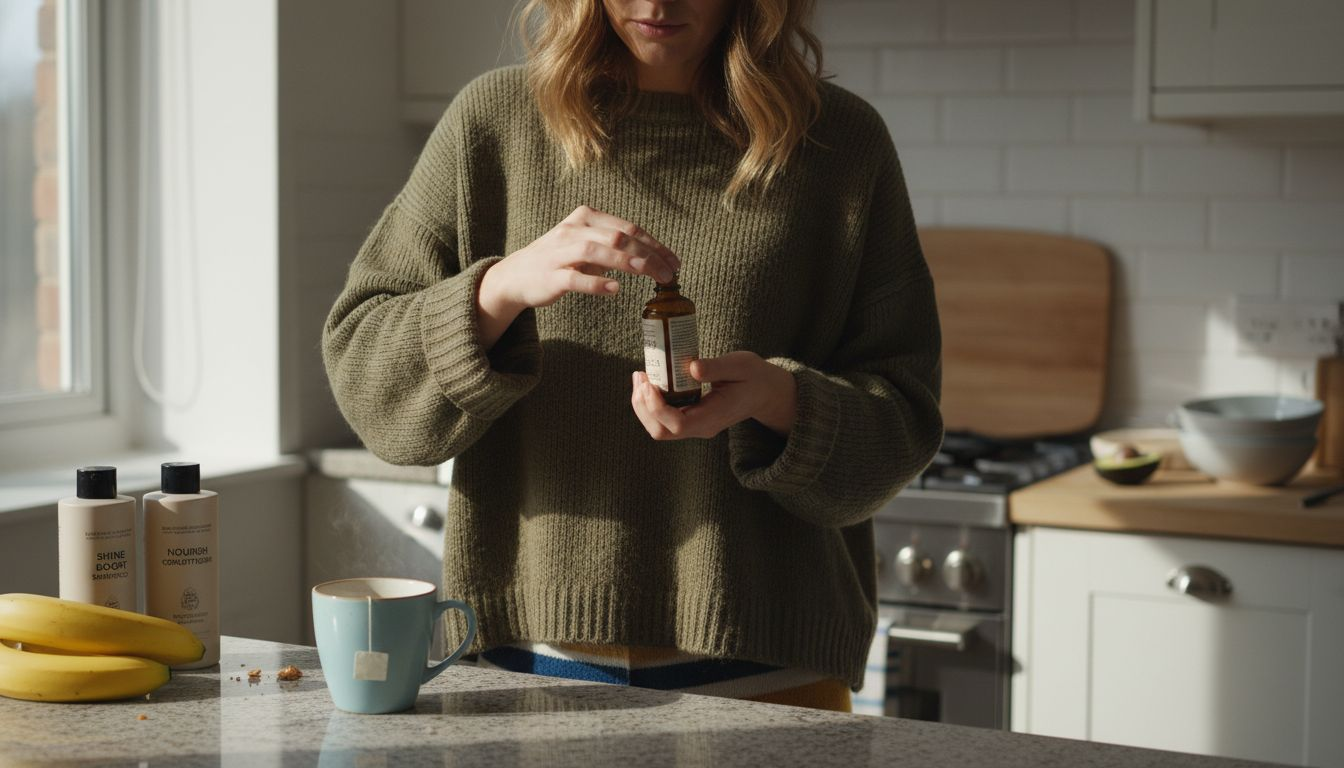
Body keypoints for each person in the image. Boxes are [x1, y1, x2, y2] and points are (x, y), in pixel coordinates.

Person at [322, 0, 942, 712]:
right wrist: (495, 292)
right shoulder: (492, 125)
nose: (656, 4)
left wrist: (778, 401)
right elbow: (366, 384)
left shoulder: (840, 145)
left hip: (772, 684)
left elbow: (906, 422)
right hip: (531, 678)